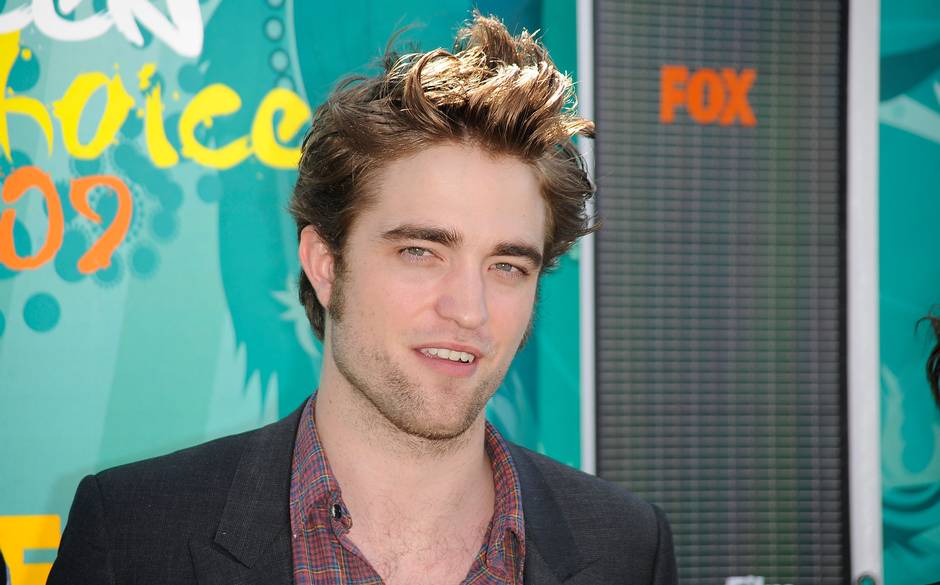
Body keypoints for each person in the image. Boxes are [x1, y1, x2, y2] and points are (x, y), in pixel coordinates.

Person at [48, 13, 677, 585]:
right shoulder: (132, 537)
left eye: (507, 266)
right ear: (326, 265)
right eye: (421, 252)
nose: (469, 310)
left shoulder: (627, 548)